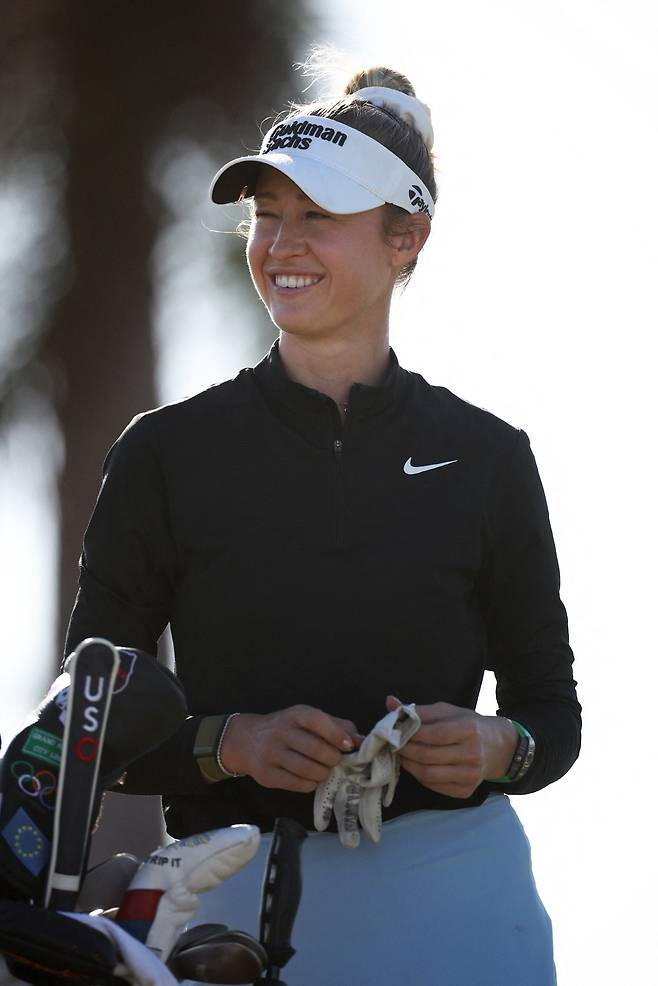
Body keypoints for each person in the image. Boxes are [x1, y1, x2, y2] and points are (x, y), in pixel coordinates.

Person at [65, 62, 581, 985]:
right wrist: (233, 744)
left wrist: (499, 746)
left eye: (319, 215)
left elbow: (553, 719)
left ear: (406, 237)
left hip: (459, 897)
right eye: (268, 211)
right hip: (222, 900)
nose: (281, 243)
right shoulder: (164, 454)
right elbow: (85, 725)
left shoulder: (491, 456)